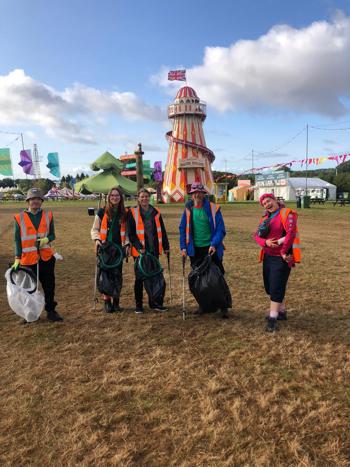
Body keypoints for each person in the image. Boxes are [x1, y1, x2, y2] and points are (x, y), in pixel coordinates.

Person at [12, 187, 63, 322]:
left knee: (49, 286)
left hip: (46, 257)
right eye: (32, 199)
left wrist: (47, 239)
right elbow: (17, 239)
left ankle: (51, 311)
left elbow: (52, 235)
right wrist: (17, 258)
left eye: (38, 199)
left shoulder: (48, 215)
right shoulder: (19, 218)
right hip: (28, 259)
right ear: (28, 201)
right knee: (28, 288)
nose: (35, 201)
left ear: (41, 201)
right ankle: (30, 313)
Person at [179, 182, 229, 318]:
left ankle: (223, 306)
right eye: (194, 192)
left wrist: (214, 244)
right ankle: (204, 305)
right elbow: (182, 229)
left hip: (211, 249)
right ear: (191, 195)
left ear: (204, 194)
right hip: (195, 250)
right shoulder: (188, 210)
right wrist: (183, 247)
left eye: (200, 192)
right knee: (198, 279)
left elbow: (220, 229)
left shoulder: (214, 209)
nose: (197, 195)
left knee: (217, 278)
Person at [254, 193, 301, 332]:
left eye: (268, 201)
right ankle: (281, 312)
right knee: (270, 286)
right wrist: (265, 242)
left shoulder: (287, 213)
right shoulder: (265, 217)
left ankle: (273, 318)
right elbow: (256, 236)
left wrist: (283, 251)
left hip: (283, 257)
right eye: (264, 204)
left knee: (276, 287)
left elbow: (291, 234)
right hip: (268, 256)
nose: (267, 204)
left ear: (275, 200)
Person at [127, 188, 170, 313]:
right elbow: (131, 234)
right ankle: (139, 305)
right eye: (142, 197)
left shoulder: (155, 212)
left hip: (153, 250)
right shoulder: (132, 212)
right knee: (140, 279)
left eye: (146, 196)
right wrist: (140, 248)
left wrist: (166, 246)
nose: (144, 199)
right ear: (138, 199)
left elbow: (162, 230)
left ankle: (155, 303)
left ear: (149, 197)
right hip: (140, 252)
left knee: (155, 278)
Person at [91, 187, 129, 312]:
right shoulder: (102, 212)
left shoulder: (125, 212)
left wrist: (127, 244)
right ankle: (107, 301)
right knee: (105, 275)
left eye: (117, 195)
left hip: (118, 249)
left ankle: (116, 302)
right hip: (105, 248)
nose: (115, 197)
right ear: (109, 197)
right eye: (112, 195)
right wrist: (97, 240)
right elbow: (95, 229)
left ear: (121, 197)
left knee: (117, 275)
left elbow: (128, 231)